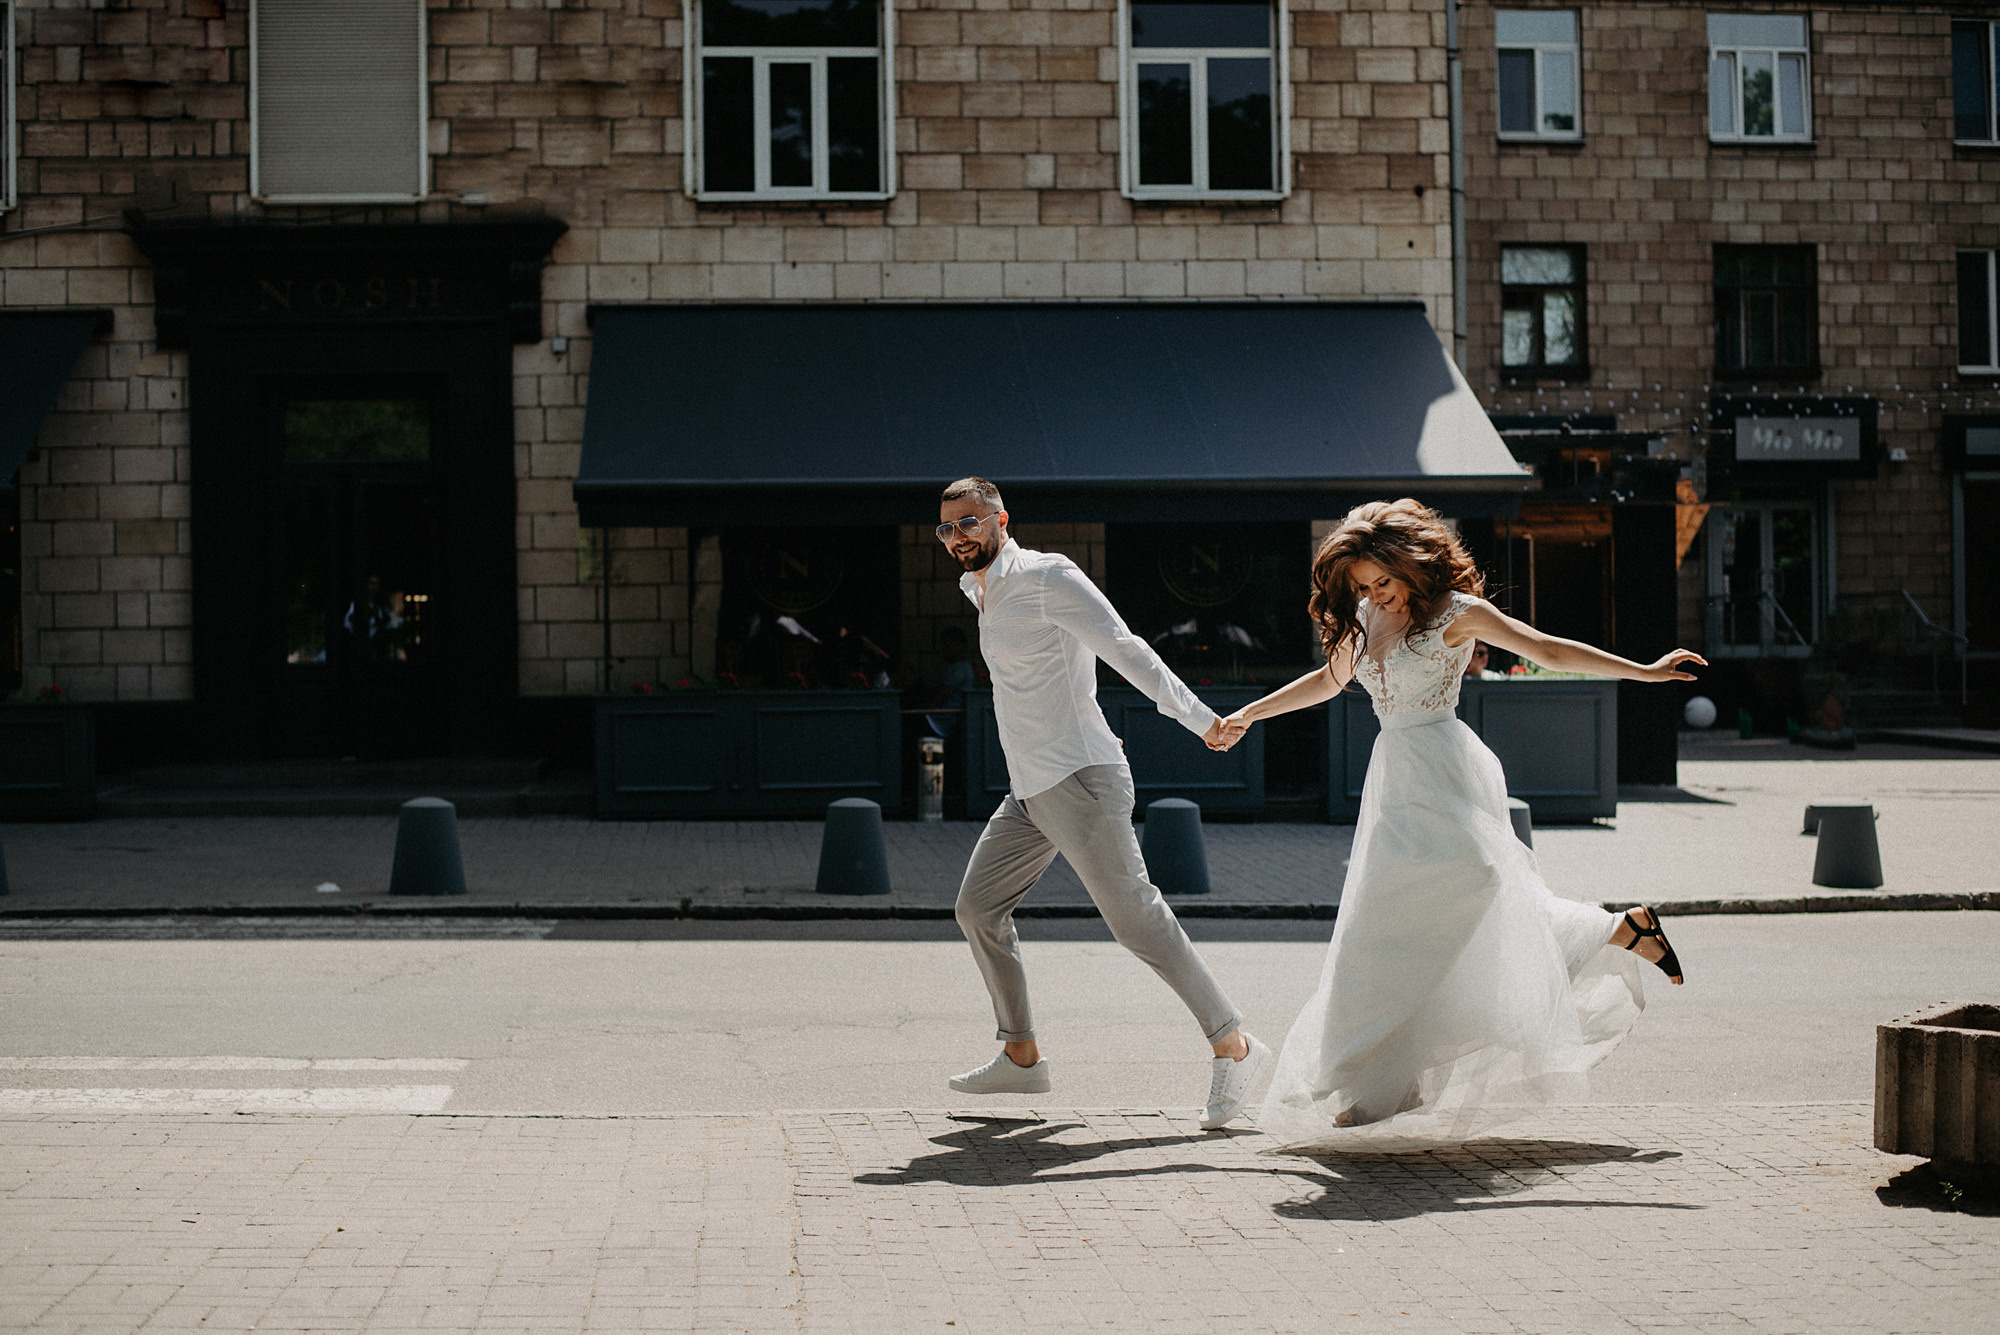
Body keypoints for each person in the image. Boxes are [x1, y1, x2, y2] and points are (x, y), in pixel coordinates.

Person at [1213, 499, 1702, 1146]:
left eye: (1382, 579)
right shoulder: (1364, 617)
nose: (1373, 592)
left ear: (1410, 561)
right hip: (1394, 781)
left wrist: (1641, 671)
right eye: (1362, 585)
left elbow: (1546, 650)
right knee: (1387, 925)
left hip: (1447, 768)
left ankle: (1612, 931)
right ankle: (1394, 1075)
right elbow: (1328, 681)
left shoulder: (1458, 612)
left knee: (1471, 907)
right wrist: (1249, 712)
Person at [938, 477, 1271, 1129]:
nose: (958, 537)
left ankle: (1235, 1046)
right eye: (947, 528)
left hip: (1081, 776)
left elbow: (1125, 648)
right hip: (1030, 790)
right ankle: (1022, 1054)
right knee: (977, 908)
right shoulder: (977, 587)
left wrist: (1200, 718)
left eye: (970, 522)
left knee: (1136, 920)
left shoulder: (1047, 576)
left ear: (1002, 519)